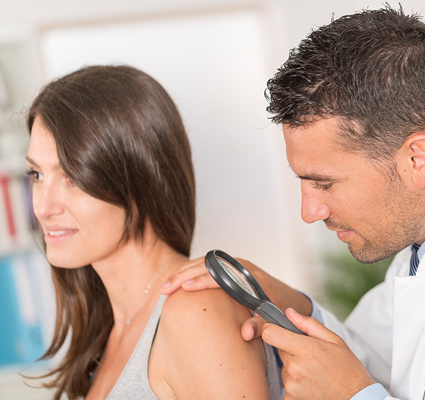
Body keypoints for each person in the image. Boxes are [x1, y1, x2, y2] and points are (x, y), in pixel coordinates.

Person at [161, 6, 425, 400]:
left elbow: (363, 385)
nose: (309, 212)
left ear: (417, 159)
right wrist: (289, 302)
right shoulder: (414, 257)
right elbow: (381, 361)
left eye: (325, 183)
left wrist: (352, 396)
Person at [25, 65, 284, 400]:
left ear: (141, 177)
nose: (42, 207)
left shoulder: (195, 314)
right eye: (36, 174)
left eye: (72, 176)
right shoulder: (108, 330)